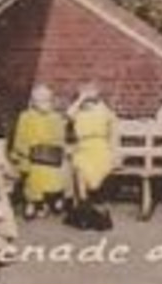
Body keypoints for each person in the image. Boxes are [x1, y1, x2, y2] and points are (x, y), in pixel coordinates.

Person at [10, 85, 67, 218]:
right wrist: (25, 151)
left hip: (49, 156)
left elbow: (59, 140)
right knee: (33, 174)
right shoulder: (25, 116)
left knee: (51, 174)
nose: (43, 103)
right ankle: (32, 202)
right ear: (33, 102)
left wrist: (51, 149)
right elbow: (19, 138)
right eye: (39, 100)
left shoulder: (56, 118)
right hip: (30, 155)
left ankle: (47, 201)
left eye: (46, 100)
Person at [66, 84, 117, 206]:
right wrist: (81, 99)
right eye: (86, 101)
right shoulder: (78, 113)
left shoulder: (101, 113)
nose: (89, 103)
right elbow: (69, 114)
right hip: (83, 147)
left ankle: (97, 200)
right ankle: (83, 202)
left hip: (100, 148)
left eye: (92, 101)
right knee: (80, 168)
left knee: (101, 172)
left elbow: (110, 116)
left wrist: (97, 99)